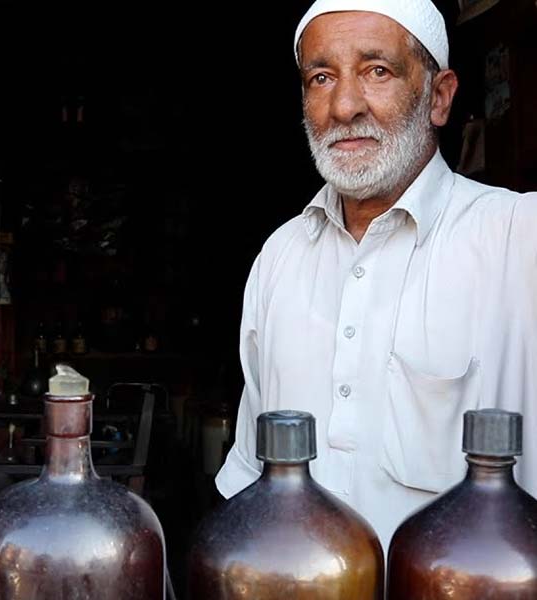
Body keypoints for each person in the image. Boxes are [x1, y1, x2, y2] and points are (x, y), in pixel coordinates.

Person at [216, 0, 537, 545]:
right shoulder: (280, 257)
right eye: (321, 77)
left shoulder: (517, 237)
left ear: (439, 97)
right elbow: (250, 484)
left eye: (377, 71)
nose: (344, 106)